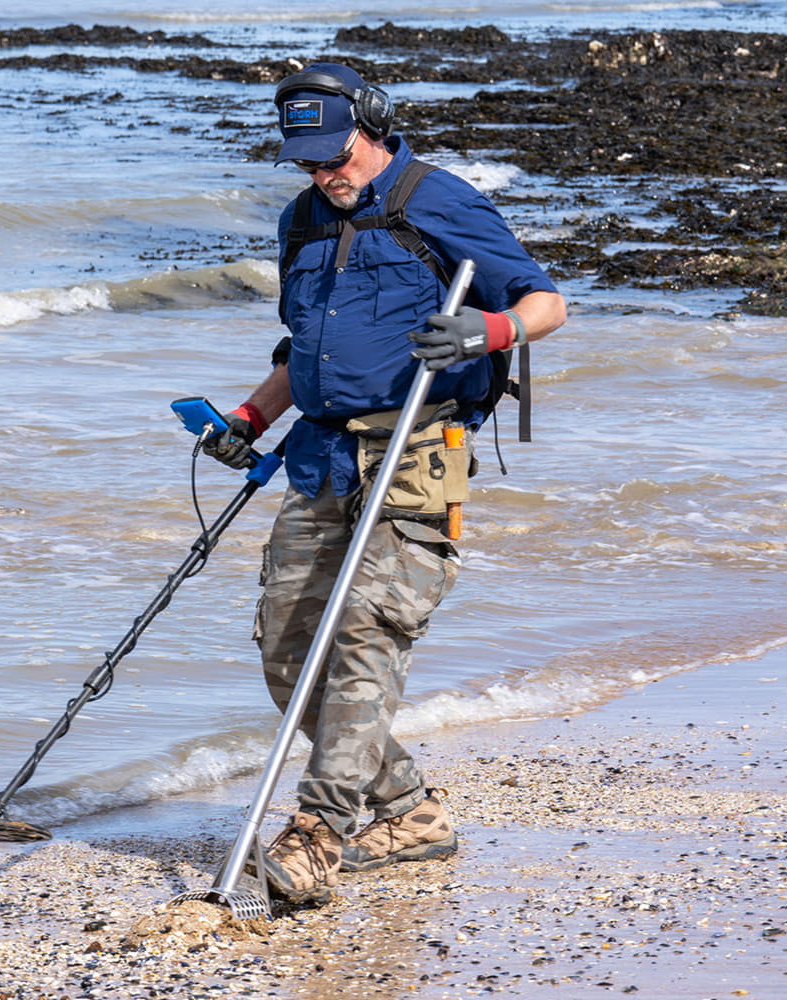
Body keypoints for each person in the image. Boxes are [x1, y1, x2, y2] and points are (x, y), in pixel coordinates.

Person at [198, 62, 566, 905]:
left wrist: (487, 330)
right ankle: (408, 812)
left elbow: (547, 303)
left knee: (368, 634)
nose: (324, 173)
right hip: (318, 456)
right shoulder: (301, 220)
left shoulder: (438, 201)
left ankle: (317, 835)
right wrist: (251, 418)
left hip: (414, 449)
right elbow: (305, 348)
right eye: (307, 160)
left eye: (336, 155)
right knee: (288, 649)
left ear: (372, 125)